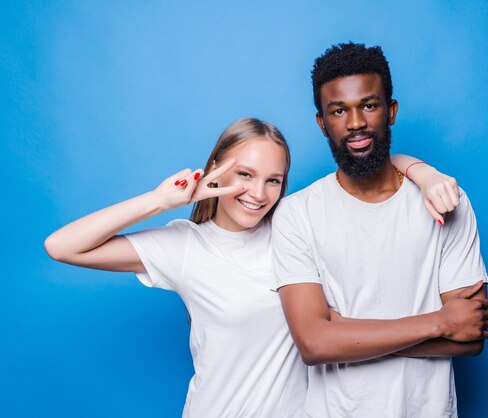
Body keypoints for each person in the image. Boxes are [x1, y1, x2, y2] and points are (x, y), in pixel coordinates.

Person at [44, 117, 465, 417]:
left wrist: (423, 173)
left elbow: (367, 161)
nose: (258, 193)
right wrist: (160, 201)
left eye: (273, 180)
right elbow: (62, 246)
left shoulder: (295, 228)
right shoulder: (186, 246)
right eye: (244, 174)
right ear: (214, 170)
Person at [272, 43, 488, 417]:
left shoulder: (444, 201)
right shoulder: (297, 215)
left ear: (390, 111)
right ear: (321, 122)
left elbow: (470, 336)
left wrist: (346, 333)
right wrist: (440, 322)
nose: (356, 122)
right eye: (339, 110)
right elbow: (313, 344)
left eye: (369, 105)